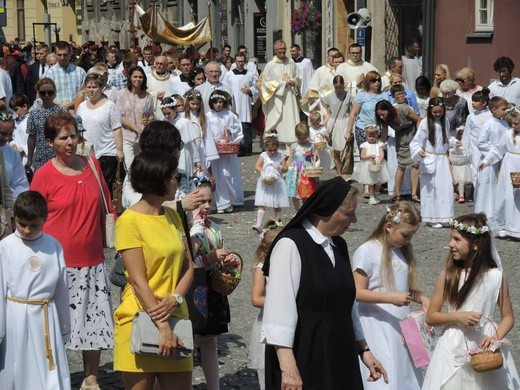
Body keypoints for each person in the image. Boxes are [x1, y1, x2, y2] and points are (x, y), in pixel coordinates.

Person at [261, 178, 388, 389]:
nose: (354, 220)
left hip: (340, 349)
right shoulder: (291, 244)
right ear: (326, 210)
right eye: (348, 214)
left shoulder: (339, 244)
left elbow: (347, 303)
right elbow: (279, 310)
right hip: (306, 350)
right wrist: (288, 367)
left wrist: (364, 349)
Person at [30, 112, 115, 389]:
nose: (70, 142)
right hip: (57, 263)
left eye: (73, 136)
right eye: (63, 138)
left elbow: (107, 205)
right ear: (50, 142)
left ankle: (91, 376)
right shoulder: (43, 176)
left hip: (92, 259)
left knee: (94, 320)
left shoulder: (92, 164)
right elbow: (31, 218)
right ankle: (57, 374)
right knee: (56, 324)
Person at [113, 150, 193, 390]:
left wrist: (175, 299)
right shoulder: (128, 221)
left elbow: (189, 265)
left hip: (176, 315)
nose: (177, 180)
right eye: (173, 175)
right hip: (139, 318)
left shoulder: (172, 216)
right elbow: (138, 281)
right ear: (158, 179)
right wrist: (163, 325)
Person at [423, 213, 519, 389]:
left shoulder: (496, 277)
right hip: (453, 346)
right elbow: (431, 317)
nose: (451, 244)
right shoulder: (449, 275)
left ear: (475, 245)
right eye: (451, 238)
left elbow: (508, 317)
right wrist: (458, 316)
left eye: (457, 240)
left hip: (484, 344)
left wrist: (495, 338)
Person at [353, 201, 428, 389]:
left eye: (411, 236)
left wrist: (421, 297)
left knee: (405, 374)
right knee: (386, 376)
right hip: (377, 324)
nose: (408, 240)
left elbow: (400, 286)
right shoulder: (367, 251)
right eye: (405, 235)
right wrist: (390, 298)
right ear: (389, 226)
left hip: (401, 324)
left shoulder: (402, 252)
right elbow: (357, 292)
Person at [0, 190, 70, 389]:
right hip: (16, 317)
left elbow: (62, 289)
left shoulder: (53, 246)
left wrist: (64, 327)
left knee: (48, 370)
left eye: (34, 225)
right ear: (14, 217)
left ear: (45, 219)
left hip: (46, 317)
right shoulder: (5, 247)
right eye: (22, 224)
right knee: (17, 368)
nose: (28, 230)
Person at [189, 178, 236, 390]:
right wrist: (209, 258)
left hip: (212, 287)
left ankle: (213, 386)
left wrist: (225, 261)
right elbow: (186, 260)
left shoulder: (215, 227)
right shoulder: (190, 229)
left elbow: (218, 250)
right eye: (201, 202)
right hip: (193, 287)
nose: (206, 206)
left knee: (209, 341)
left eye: (209, 201)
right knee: (187, 341)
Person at [410, 97, 458, 228]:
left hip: (442, 159)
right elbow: (415, 141)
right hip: (430, 158)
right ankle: (431, 217)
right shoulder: (425, 123)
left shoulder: (445, 121)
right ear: (430, 111)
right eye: (435, 112)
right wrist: (419, 150)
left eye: (440, 112)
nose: (437, 114)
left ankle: (445, 216)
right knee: (431, 189)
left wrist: (454, 142)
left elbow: (447, 138)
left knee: (445, 188)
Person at [249, 219, 283, 390]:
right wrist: (283, 301)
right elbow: (256, 298)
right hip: (267, 324)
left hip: (284, 321)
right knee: (267, 371)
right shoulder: (261, 269)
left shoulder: (286, 267)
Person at [478, 105, 520, 239]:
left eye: (517, 123)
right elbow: (497, 150)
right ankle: (505, 226)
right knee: (506, 196)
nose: (514, 126)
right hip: (509, 166)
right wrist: (486, 161)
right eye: (512, 123)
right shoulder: (508, 134)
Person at [76, 73, 124, 189]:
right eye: (89, 87)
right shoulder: (82, 106)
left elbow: (116, 128)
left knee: (103, 187)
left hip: (106, 152)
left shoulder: (109, 106)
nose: (91, 90)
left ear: (101, 87)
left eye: (94, 87)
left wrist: (119, 150)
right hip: (86, 153)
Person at [206, 90, 244, 213]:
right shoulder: (208, 116)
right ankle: (221, 203)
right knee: (218, 176)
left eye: (220, 102)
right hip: (215, 151)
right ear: (211, 103)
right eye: (215, 102)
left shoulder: (229, 115)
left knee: (229, 175)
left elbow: (238, 130)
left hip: (228, 151)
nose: (218, 104)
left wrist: (230, 133)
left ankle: (233, 199)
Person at [375, 99, 421, 202]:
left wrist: (419, 137)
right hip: (401, 139)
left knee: (415, 165)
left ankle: (414, 194)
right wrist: (379, 146)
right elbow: (384, 132)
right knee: (401, 165)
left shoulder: (403, 109)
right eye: (380, 116)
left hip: (413, 136)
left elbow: (418, 120)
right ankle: (398, 194)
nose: (382, 117)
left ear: (388, 109)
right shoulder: (384, 119)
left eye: (383, 114)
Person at [474, 96, 509, 227]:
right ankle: (484, 212)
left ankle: (497, 212)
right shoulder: (488, 124)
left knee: (498, 187)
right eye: (503, 109)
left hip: (503, 160)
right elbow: (481, 143)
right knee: (487, 187)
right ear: (494, 109)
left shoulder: (505, 123)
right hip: (490, 161)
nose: (506, 111)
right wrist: (495, 152)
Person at [116, 65, 154, 179]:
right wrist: (136, 129)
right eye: (135, 76)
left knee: (141, 167)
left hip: (142, 139)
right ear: (130, 78)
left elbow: (151, 115)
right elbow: (120, 117)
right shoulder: (121, 94)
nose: (137, 79)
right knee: (130, 168)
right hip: (127, 137)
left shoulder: (147, 96)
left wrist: (148, 120)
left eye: (140, 77)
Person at [261, 40, 301, 146]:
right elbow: (265, 83)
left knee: (291, 121)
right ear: (275, 50)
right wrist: (283, 84)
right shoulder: (270, 65)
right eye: (280, 49)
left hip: (290, 98)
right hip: (277, 100)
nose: (282, 51)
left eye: (284, 49)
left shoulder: (291, 62)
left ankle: (293, 145)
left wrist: (294, 82)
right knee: (279, 122)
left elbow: (298, 77)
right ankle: (277, 145)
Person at [161, 97, 200, 197]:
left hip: (183, 153)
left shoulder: (184, 122)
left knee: (182, 176)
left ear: (175, 109)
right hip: (168, 153)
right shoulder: (164, 122)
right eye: (164, 113)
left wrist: (197, 159)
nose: (166, 116)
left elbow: (192, 143)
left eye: (168, 113)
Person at [25, 78, 66, 171]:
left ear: (55, 93)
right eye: (43, 93)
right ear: (38, 93)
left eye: (50, 92)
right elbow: (32, 137)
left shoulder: (62, 112)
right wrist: (29, 159)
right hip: (40, 159)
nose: (46, 95)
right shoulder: (33, 113)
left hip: (59, 157)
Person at [224, 52, 258, 156]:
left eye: (242, 61)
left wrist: (250, 90)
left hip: (246, 104)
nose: (240, 63)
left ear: (245, 62)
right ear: (235, 61)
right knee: (235, 126)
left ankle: (247, 149)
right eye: (238, 61)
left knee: (246, 126)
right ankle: (237, 149)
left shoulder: (250, 74)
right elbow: (226, 89)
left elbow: (255, 88)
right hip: (234, 105)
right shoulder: (229, 75)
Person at [252, 133, 289, 231]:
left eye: (274, 150)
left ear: (277, 148)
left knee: (277, 203)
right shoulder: (263, 155)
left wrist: (280, 167)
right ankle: (258, 224)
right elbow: (257, 166)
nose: (272, 152)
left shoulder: (280, 156)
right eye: (270, 150)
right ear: (265, 149)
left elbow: (286, 168)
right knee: (262, 203)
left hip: (277, 182)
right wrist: (262, 172)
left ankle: (277, 220)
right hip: (265, 182)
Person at [350, 124, 390, 205]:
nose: (371, 138)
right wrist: (369, 156)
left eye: (373, 136)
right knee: (371, 182)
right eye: (369, 136)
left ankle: (376, 193)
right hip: (369, 165)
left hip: (379, 164)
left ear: (377, 135)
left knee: (379, 182)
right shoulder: (365, 145)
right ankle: (371, 197)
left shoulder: (379, 144)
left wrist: (379, 160)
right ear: (366, 136)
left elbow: (382, 154)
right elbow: (362, 156)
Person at [322, 75, 353, 176]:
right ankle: (339, 173)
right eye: (336, 87)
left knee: (345, 150)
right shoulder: (330, 97)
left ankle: (345, 171)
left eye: (340, 87)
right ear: (333, 86)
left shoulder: (349, 96)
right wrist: (323, 126)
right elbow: (329, 113)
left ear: (344, 85)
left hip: (345, 123)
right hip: (334, 124)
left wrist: (351, 126)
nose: (338, 89)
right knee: (336, 151)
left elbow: (351, 112)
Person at [346, 71, 384, 151]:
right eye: (374, 80)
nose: (377, 83)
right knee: (365, 156)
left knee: (378, 155)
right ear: (368, 82)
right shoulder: (361, 95)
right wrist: (348, 131)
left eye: (378, 80)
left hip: (379, 130)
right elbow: (353, 114)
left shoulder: (384, 95)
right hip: (363, 129)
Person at [461, 88, 493, 186]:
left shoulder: (491, 115)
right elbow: (467, 133)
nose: (473, 103)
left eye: (476, 101)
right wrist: (464, 148)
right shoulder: (471, 116)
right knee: (475, 169)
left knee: (487, 169)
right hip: (474, 147)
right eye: (472, 100)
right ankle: (477, 193)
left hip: (488, 146)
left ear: (484, 103)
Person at [44, 41, 86, 111]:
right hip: (55, 112)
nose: (62, 58)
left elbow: (86, 94)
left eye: (65, 54)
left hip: (76, 111)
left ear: (70, 53)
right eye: (59, 55)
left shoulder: (80, 72)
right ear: (55, 54)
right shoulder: (49, 73)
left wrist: (71, 104)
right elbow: (44, 96)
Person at [183, 89, 219, 170]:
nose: (195, 106)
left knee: (200, 172)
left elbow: (208, 136)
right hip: (187, 148)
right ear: (188, 102)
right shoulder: (183, 116)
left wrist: (209, 156)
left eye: (197, 104)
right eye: (193, 104)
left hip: (200, 148)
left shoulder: (203, 118)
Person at [285, 122, 316, 211]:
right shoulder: (293, 146)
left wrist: (315, 165)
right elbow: (290, 158)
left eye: (304, 137)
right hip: (295, 170)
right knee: (294, 191)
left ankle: (304, 210)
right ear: (296, 135)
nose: (302, 140)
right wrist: (285, 169)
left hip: (306, 171)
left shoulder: (311, 145)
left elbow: (314, 158)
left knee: (306, 191)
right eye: (300, 138)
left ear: (307, 135)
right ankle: (297, 210)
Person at [0, 102, 28, 199]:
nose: (7, 138)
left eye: (10, 133)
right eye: (3, 134)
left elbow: (20, 185)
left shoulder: (13, 154)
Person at [9, 93, 30, 166]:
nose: (15, 113)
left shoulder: (31, 120)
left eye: (16, 110)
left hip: (29, 158)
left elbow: (36, 139)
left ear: (24, 106)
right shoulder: (15, 122)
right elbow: (14, 137)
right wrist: (12, 144)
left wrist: (23, 149)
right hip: (17, 159)